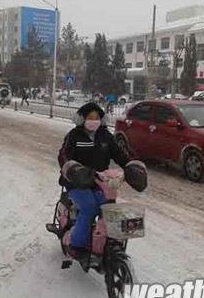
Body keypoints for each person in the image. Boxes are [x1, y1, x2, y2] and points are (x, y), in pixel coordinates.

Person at [58, 102, 147, 260]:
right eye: (90, 117)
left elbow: (121, 154)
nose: (94, 120)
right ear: (82, 119)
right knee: (89, 207)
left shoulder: (106, 136)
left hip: (101, 181)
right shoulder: (74, 135)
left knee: (109, 209)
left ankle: (107, 242)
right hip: (76, 182)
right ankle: (76, 244)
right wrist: (73, 169)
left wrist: (131, 165)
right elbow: (64, 155)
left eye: (97, 117)